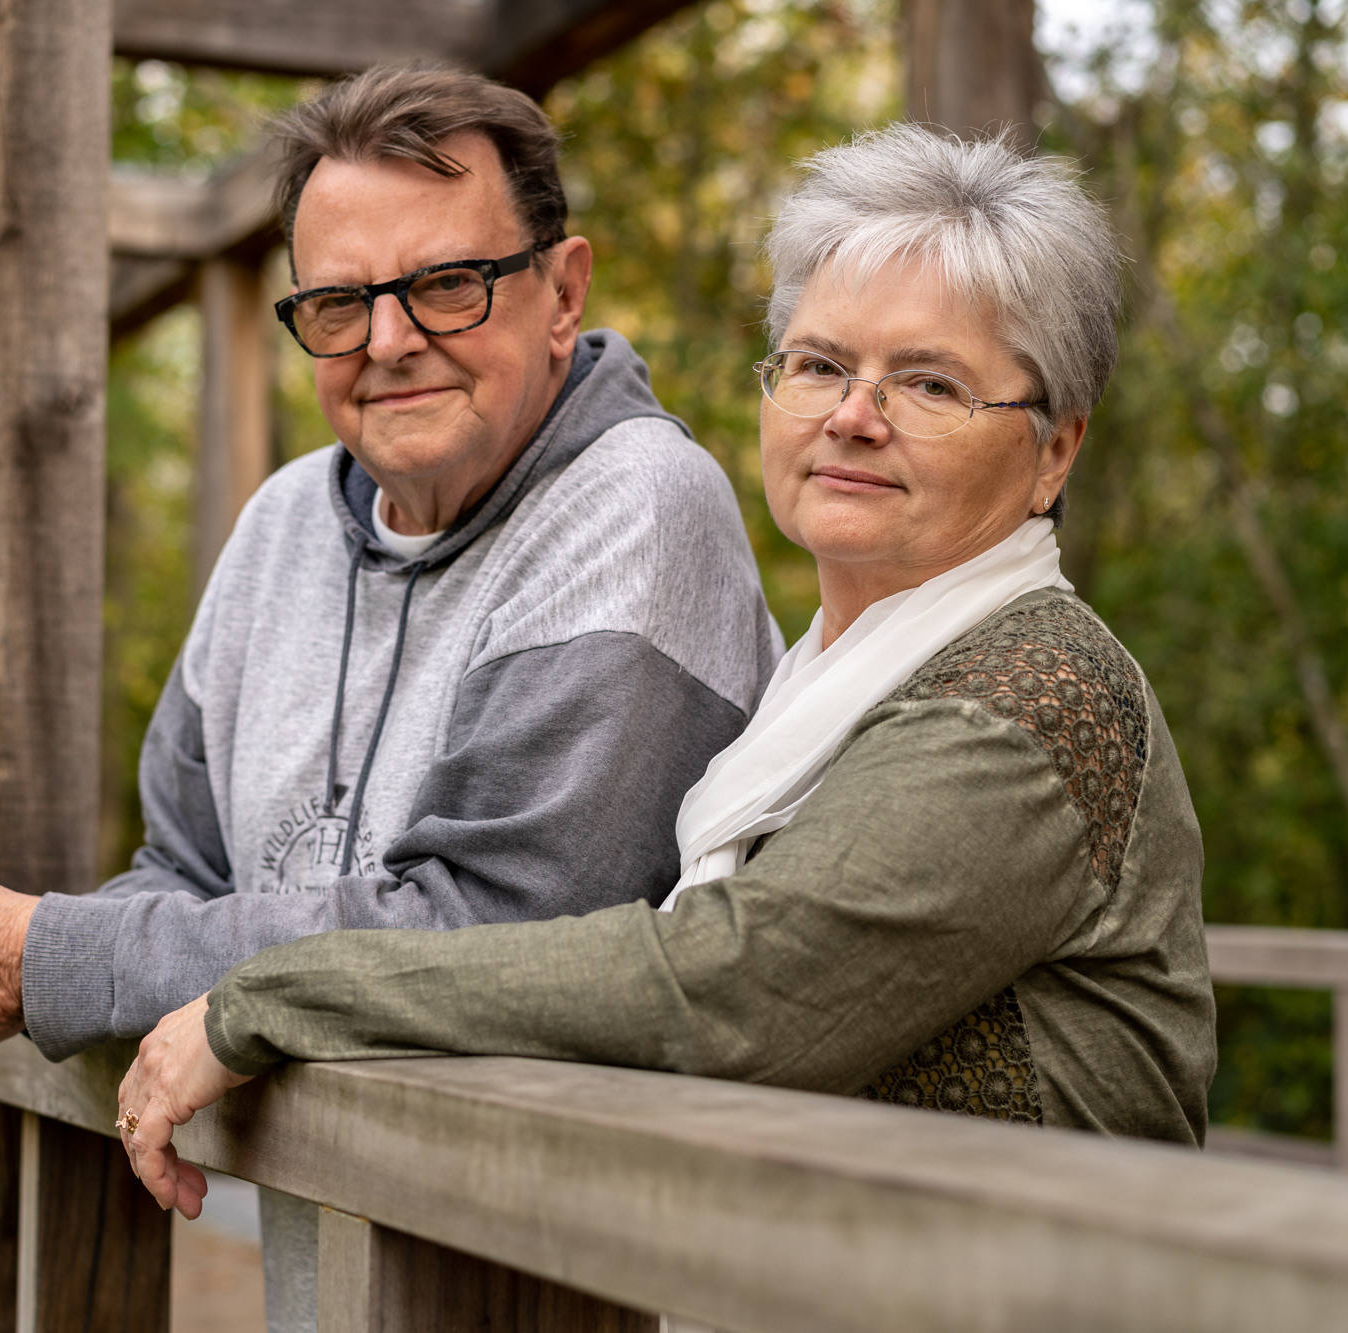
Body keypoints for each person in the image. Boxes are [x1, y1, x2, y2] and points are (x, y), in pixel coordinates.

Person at [114, 124, 1219, 1219]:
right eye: (819, 364)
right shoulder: (826, 684)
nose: (849, 417)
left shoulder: (1032, 694)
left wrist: (260, 999)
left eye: (928, 386)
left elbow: (732, 990)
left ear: (1054, 451)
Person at [0, 64, 778, 1072]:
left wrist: (37, 956)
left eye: (447, 285)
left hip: (564, 1212)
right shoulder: (278, 523)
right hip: (323, 1218)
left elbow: (495, 929)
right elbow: (183, 870)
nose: (390, 340)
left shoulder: (639, 504)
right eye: (336, 303)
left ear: (562, 291)